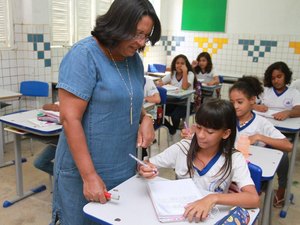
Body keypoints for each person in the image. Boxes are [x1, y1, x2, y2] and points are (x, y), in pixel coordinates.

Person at [51, 0, 161, 224]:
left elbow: (127, 98)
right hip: (84, 171)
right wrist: (89, 176)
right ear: (117, 24)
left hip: (122, 167)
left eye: (146, 36)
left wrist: (146, 118)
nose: (141, 42)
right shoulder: (84, 56)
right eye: (137, 34)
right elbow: (70, 118)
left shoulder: (134, 61)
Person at [139, 99, 260, 222]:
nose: (201, 135)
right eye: (199, 127)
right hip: (181, 216)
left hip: (211, 218)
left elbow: (253, 198)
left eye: (210, 132)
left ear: (225, 133)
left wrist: (213, 198)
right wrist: (145, 169)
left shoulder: (234, 158)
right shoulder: (183, 148)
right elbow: (147, 165)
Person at [229, 76, 293, 208]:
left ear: (252, 100)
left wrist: (259, 137)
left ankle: (280, 191)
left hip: (250, 173)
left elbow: (288, 146)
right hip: (229, 169)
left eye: (240, 102)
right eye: (232, 102)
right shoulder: (226, 118)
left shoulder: (261, 123)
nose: (235, 106)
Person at [156, 54, 195, 135]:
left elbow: (184, 87)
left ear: (186, 65)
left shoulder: (190, 74)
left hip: (186, 104)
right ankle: (171, 129)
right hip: (173, 102)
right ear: (174, 64)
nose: (179, 65)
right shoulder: (172, 74)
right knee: (158, 112)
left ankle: (175, 130)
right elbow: (160, 82)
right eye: (177, 63)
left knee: (175, 116)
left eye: (182, 63)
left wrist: (185, 72)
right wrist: (159, 83)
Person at [33, 102, 60, 176]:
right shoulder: (66, 98)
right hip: (60, 139)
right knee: (39, 163)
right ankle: (65, 179)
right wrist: (55, 107)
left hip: (75, 141)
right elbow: (45, 106)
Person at [142, 77, 161, 159]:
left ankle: (142, 156)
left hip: (150, 117)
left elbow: (157, 99)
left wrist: (144, 99)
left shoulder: (148, 81)